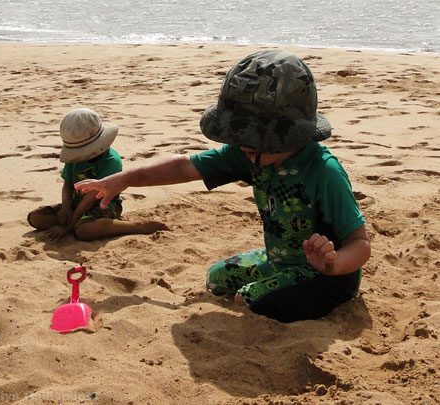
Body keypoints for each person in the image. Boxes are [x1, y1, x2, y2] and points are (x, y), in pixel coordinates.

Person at [75, 50, 371, 323]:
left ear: (287, 135)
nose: (242, 147)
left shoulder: (324, 171)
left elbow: (360, 245)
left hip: (325, 276)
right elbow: (184, 166)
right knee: (216, 279)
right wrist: (125, 178)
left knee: (249, 298)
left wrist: (332, 263)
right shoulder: (252, 155)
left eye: (252, 140)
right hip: (281, 261)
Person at [27, 108, 168, 241]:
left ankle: (136, 227)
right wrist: (65, 208)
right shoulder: (74, 159)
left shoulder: (111, 160)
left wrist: (68, 226)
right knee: (35, 218)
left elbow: (92, 197)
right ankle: (76, 222)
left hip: (104, 205)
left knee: (83, 231)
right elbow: (68, 183)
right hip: (76, 202)